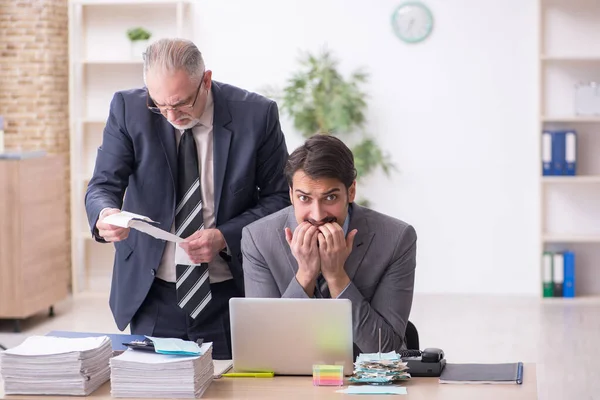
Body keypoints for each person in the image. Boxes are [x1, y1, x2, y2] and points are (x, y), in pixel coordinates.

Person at [85, 38, 290, 359]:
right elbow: (102, 185)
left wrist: (225, 236)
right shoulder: (129, 110)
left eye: (180, 104)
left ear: (205, 81)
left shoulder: (256, 115)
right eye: (159, 104)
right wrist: (105, 213)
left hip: (228, 293)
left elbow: (281, 199)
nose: (170, 115)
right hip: (152, 292)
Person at [241, 134, 417, 356]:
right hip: (289, 380)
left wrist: (336, 277)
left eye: (330, 198)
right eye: (304, 198)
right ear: (291, 195)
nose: (317, 214)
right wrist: (305, 275)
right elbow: (264, 349)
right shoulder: (258, 239)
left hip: (365, 379)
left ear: (351, 192)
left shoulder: (396, 238)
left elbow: (386, 349)